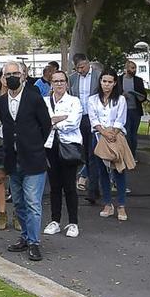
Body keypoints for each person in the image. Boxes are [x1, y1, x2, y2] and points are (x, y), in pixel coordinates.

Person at [0, 60, 51, 261]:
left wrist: (34, 145)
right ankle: (25, 237)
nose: (11, 78)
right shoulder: (1, 102)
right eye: (7, 74)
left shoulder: (35, 98)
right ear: (3, 77)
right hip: (12, 159)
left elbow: (46, 126)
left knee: (33, 202)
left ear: (24, 75)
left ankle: (34, 242)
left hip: (34, 159)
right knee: (18, 202)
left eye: (15, 74)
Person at [41, 68, 84, 239]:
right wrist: (59, 118)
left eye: (61, 81)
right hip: (50, 146)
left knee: (70, 186)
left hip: (68, 146)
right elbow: (42, 122)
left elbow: (73, 123)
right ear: (51, 84)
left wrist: (53, 121)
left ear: (67, 83)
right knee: (54, 186)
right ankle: (55, 220)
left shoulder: (74, 101)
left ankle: (73, 222)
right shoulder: (44, 101)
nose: (59, 84)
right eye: (55, 81)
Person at [87, 71, 132, 220]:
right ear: (100, 82)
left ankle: (121, 205)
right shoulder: (93, 99)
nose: (106, 84)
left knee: (119, 171)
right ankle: (107, 203)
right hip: (99, 137)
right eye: (104, 81)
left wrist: (112, 133)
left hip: (116, 137)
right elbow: (93, 119)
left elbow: (121, 118)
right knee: (102, 172)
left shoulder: (120, 99)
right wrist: (103, 132)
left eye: (109, 82)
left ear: (114, 83)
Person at [69, 55, 100, 203]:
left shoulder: (98, 76)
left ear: (87, 63)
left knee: (93, 154)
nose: (80, 70)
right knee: (84, 155)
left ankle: (93, 189)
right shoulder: (73, 78)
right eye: (77, 68)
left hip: (94, 119)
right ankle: (93, 185)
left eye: (82, 67)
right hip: (79, 118)